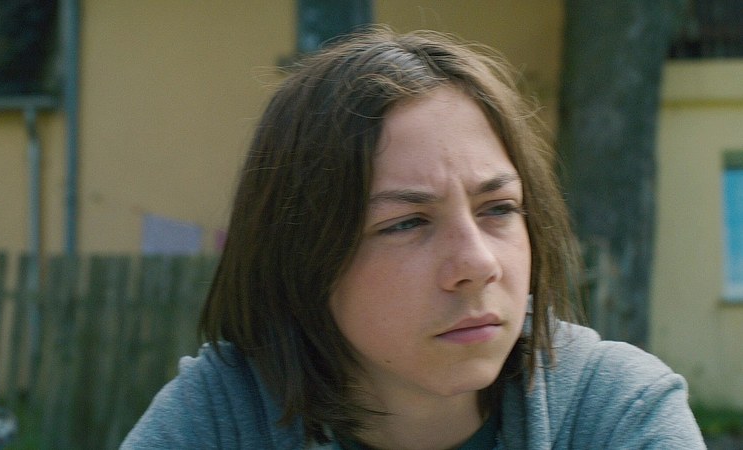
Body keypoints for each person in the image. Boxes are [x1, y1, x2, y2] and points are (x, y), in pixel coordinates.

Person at [121, 28, 705, 449]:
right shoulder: (222, 418)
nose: (477, 264)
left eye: (499, 209)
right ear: (301, 259)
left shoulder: (613, 412)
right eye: (406, 223)